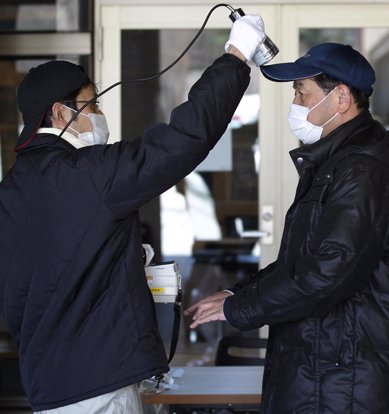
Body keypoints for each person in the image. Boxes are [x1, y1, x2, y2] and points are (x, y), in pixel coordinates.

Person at [0, 13, 266, 413]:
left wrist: (119, 257)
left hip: (49, 386)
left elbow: (34, 280)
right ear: (58, 113)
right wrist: (235, 56)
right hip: (99, 387)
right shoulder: (87, 173)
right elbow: (182, 140)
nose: (99, 113)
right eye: (92, 103)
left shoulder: (13, 188)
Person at [185, 42, 389, 414]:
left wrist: (242, 309)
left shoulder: (362, 172)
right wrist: (238, 293)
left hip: (343, 384)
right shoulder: (338, 164)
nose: (295, 103)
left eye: (302, 92)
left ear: (341, 98)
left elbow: (328, 272)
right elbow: (301, 262)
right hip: (329, 373)